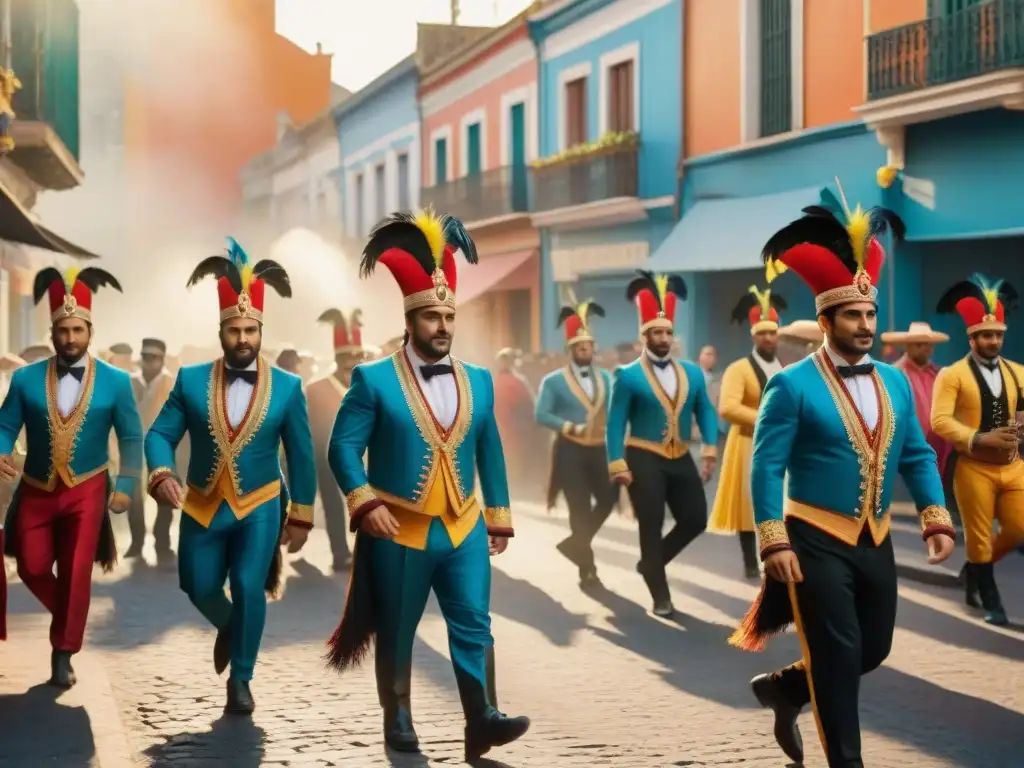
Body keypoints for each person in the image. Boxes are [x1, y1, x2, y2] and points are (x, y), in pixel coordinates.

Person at [730, 186, 955, 767]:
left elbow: (917, 455)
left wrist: (934, 517)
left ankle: (785, 689)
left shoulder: (895, 381)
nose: (863, 323)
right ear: (825, 319)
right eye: (851, 314)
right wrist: (771, 539)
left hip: (876, 538)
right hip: (812, 540)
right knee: (838, 653)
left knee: (872, 649)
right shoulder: (791, 384)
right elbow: (766, 464)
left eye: (869, 313)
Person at [325, 211, 530, 762]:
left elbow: (489, 448)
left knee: (475, 624)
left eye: (448, 316)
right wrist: (363, 503)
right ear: (410, 319)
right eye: (431, 317)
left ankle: (481, 719)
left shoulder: (479, 380)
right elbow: (342, 448)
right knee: (397, 629)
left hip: (463, 525)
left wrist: (500, 516)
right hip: (400, 530)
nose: (442, 326)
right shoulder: (371, 379)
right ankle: (398, 715)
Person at [145, 238, 316, 714]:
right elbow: (159, 433)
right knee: (196, 584)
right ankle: (230, 626)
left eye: (251, 330)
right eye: (234, 330)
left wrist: (300, 515)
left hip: (260, 504)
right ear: (221, 331)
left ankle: (242, 679)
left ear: (261, 330)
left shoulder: (289, 387)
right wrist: (161, 473)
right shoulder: (190, 380)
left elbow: (301, 455)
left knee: (247, 583)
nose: (243, 338)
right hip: (200, 502)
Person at [0, 266, 143, 687]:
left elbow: (132, 436)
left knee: (78, 569)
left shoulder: (116, 382)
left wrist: (129, 487)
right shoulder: (25, 379)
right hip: (37, 487)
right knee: (30, 564)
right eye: (62, 330)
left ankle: (64, 651)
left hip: (89, 488)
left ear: (90, 330)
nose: (70, 338)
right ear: (52, 331)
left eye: (77, 329)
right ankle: (70, 612)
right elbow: (6, 423)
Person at [605, 270, 718, 617]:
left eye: (668, 332)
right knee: (650, 522)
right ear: (645, 336)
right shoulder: (627, 376)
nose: (664, 338)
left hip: (681, 454)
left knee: (696, 518)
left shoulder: (693, 373)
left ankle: (650, 563)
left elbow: (706, 412)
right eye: (657, 332)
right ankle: (660, 594)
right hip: (642, 455)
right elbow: (614, 424)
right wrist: (617, 463)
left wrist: (710, 451)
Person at [932, 274, 1024, 625]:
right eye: (986, 335)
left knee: (1017, 529)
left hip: (1013, 465)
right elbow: (939, 421)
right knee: (979, 535)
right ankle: (992, 601)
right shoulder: (952, 375)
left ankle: (973, 568)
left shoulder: (1018, 372)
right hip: (973, 465)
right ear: (972, 338)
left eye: (998, 335)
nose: (993, 341)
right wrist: (979, 438)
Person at [535, 296, 616, 588]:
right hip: (569, 450)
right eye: (579, 347)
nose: (585, 350)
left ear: (594, 349)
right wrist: (568, 426)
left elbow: (616, 410)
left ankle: (575, 542)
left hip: (599, 449)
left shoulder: (607, 378)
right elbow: (541, 413)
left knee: (610, 499)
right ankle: (587, 568)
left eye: (588, 346)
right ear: (571, 350)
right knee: (578, 508)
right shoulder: (553, 381)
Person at [708, 285, 787, 579]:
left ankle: (775, 555)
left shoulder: (783, 368)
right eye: (762, 332)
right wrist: (766, 419)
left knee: (778, 502)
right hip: (746, 443)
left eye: (772, 332)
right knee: (747, 505)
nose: (768, 337)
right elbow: (727, 408)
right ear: (753, 335)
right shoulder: (738, 369)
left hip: (779, 446)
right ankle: (749, 561)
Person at [306, 308, 374, 571]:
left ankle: (369, 551)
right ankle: (340, 553)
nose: (353, 362)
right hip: (325, 458)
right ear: (337, 359)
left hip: (364, 457)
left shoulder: (370, 386)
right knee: (333, 505)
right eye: (347, 357)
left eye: (358, 356)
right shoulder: (315, 388)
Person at [126, 338, 178, 562]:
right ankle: (136, 542)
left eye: (154, 357)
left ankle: (162, 543)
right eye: (145, 356)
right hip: (133, 447)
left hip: (163, 448)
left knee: (165, 497)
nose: (148, 362)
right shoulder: (129, 382)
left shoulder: (172, 382)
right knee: (132, 497)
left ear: (162, 359)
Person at [493, 347, 536, 494]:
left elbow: (529, 404)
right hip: (500, 425)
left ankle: (516, 486)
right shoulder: (494, 380)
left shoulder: (519, 381)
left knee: (515, 457)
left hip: (515, 427)